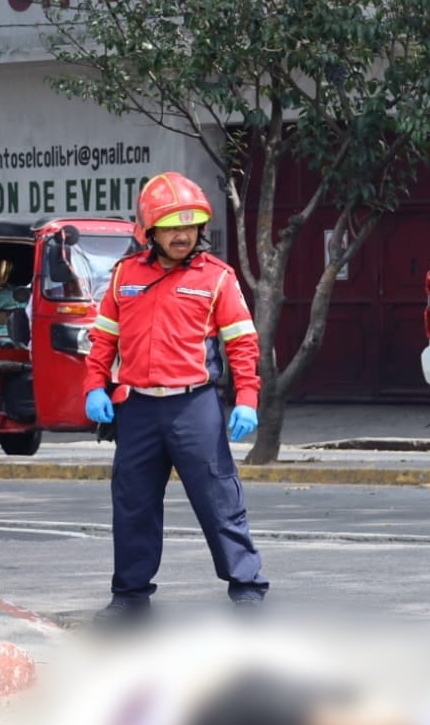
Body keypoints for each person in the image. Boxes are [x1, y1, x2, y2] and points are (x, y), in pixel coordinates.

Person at [82, 172, 269, 623]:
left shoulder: (217, 278)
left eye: (190, 226)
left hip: (194, 405)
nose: (183, 235)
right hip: (138, 407)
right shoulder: (125, 275)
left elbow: (242, 342)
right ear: (150, 231)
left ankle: (246, 587)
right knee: (133, 504)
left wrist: (247, 396)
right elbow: (103, 339)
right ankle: (129, 597)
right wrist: (93, 386)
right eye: (171, 226)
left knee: (219, 497)